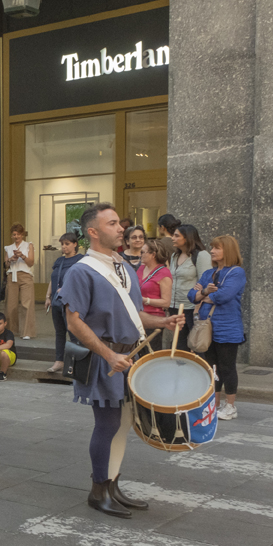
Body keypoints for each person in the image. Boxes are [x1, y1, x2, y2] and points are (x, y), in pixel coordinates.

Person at [61, 203, 182, 519]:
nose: (121, 229)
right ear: (93, 231)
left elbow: (136, 314)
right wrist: (108, 354)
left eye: (119, 223)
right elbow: (74, 321)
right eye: (112, 223)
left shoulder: (126, 268)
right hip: (105, 357)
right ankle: (98, 489)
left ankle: (112, 485)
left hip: (129, 355)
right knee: (108, 424)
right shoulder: (81, 270)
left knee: (123, 425)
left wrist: (163, 323)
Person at [189, 235, 246, 421]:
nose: (212, 251)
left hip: (227, 327)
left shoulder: (236, 272)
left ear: (227, 250)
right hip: (207, 328)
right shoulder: (209, 273)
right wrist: (205, 291)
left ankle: (230, 406)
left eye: (217, 248)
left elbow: (224, 295)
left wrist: (203, 295)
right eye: (212, 248)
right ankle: (215, 404)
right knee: (212, 368)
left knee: (227, 367)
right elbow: (191, 295)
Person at [169, 223, 212, 352]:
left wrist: (198, 304)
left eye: (177, 236)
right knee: (179, 345)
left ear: (187, 238)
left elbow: (205, 281)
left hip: (192, 307)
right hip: (174, 306)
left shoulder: (201, 255)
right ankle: (181, 371)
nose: (172, 238)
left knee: (196, 344)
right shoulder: (174, 256)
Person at [45, 233, 84, 372]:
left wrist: (68, 289)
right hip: (57, 301)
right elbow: (53, 279)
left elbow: (82, 281)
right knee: (59, 332)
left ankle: (77, 362)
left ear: (75, 244)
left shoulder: (81, 260)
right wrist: (48, 296)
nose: (64, 247)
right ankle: (59, 361)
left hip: (71, 302)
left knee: (74, 332)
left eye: (67, 244)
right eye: (62, 244)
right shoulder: (59, 261)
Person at [4, 223, 36, 340]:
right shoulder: (8, 248)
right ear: (11, 236)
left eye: (18, 234)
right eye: (14, 234)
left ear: (22, 235)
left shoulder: (29, 246)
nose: (16, 236)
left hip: (25, 275)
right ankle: (11, 330)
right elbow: (6, 264)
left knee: (26, 303)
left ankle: (27, 331)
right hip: (12, 275)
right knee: (10, 305)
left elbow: (31, 262)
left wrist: (22, 256)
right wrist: (11, 259)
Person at [137, 238, 173, 324]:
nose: (140, 255)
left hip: (154, 318)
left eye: (142, 252)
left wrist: (146, 300)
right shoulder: (141, 268)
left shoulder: (164, 273)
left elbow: (166, 302)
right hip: (138, 316)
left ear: (153, 255)